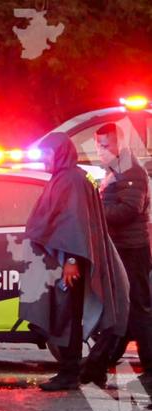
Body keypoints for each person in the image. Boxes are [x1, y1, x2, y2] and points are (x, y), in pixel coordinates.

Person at [19, 132, 128, 391]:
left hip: (71, 261)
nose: (45, 159)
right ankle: (70, 370)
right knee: (66, 315)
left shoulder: (71, 180)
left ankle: (69, 372)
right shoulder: (66, 178)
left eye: (48, 154)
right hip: (66, 259)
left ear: (60, 153)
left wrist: (70, 260)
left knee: (68, 316)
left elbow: (73, 223)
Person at [79, 124, 152, 391]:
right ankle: (101, 364)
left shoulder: (131, 172)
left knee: (138, 309)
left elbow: (128, 210)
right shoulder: (115, 172)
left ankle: (143, 366)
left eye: (106, 145)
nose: (100, 150)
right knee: (126, 309)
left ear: (119, 145)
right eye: (98, 145)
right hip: (122, 248)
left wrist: (97, 211)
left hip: (132, 250)